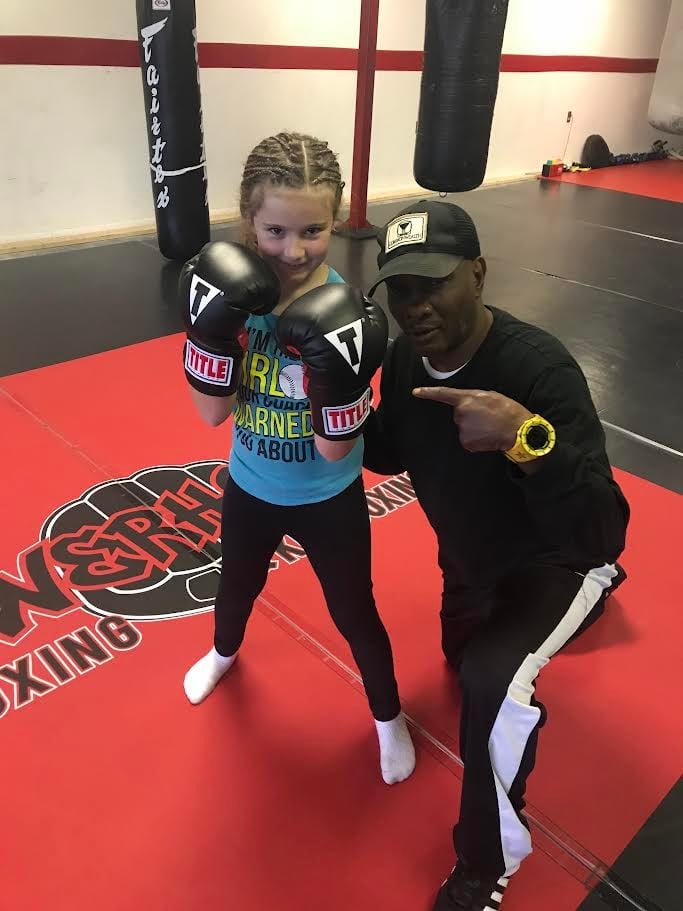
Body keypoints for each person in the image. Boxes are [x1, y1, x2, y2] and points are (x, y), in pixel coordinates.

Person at [358, 199, 629, 908]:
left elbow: (603, 529)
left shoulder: (538, 370)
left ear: (477, 273)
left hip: (559, 558)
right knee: (458, 654)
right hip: (472, 560)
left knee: (488, 681)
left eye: (433, 283)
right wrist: (336, 400)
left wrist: (525, 440)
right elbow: (388, 452)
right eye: (401, 291)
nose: (415, 307)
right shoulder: (401, 356)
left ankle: (484, 862)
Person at [180, 132, 415, 786]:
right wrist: (209, 332)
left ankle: (387, 714)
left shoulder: (344, 312)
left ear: (335, 220)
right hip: (251, 486)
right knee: (236, 587)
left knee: (353, 611)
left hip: (327, 494)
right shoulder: (233, 298)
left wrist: (334, 379)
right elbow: (212, 413)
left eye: (313, 229)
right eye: (275, 230)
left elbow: (334, 445)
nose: (294, 249)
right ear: (248, 221)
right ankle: (224, 653)